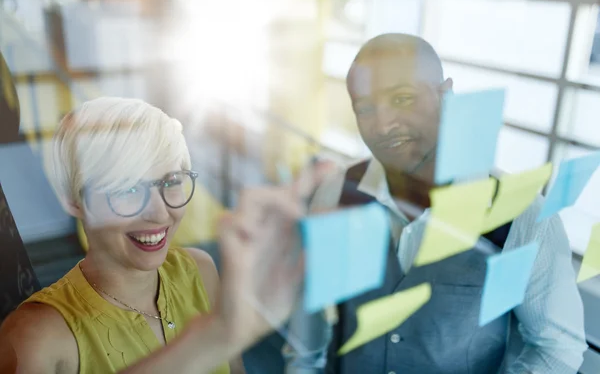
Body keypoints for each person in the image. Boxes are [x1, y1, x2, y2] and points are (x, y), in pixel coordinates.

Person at [299, 33, 587, 373]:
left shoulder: (523, 215)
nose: (382, 124)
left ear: (445, 95)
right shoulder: (335, 193)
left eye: (403, 98)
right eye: (365, 108)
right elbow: (311, 322)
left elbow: (557, 348)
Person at [0, 97, 330, 374]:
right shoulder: (37, 337)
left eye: (171, 181)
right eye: (128, 188)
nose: (160, 213)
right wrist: (218, 334)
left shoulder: (199, 270)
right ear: (73, 200)